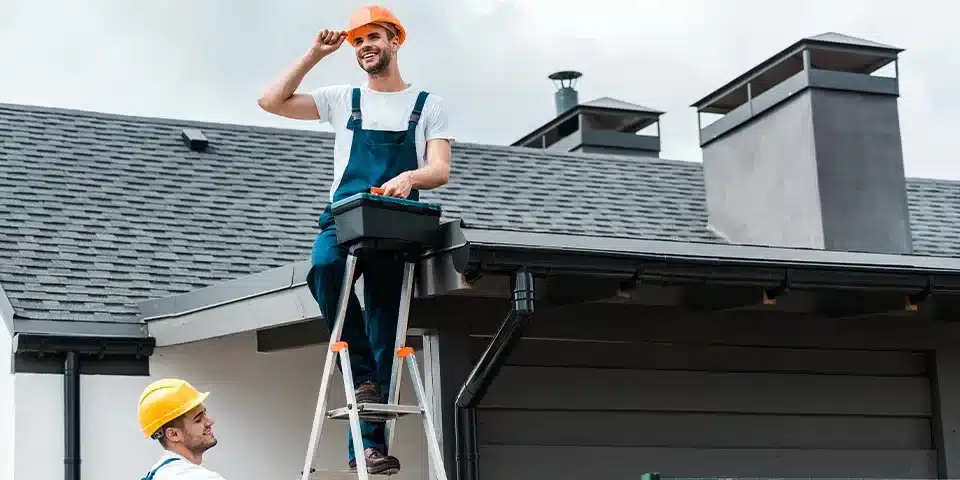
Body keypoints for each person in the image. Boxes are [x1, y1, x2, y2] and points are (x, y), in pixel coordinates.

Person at [257, 4, 454, 475]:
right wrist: (314, 54)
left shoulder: (427, 104)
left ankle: (368, 450)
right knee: (323, 268)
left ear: (395, 41)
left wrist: (411, 177)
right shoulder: (342, 98)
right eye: (358, 41)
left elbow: (440, 169)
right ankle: (361, 373)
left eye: (374, 38)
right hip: (344, 218)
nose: (366, 46)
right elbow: (271, 101)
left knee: (388, 332)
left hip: (394, 224)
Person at [137, 378, 225, 480]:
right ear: (174, 434)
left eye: (205, 414)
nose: (210, 422)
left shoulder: (159, 473)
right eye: (198, 419)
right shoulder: (198, 477)